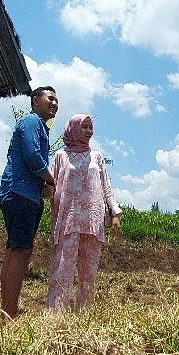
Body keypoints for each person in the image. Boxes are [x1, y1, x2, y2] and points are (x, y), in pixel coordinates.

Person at [46, 113, 121, 311]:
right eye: (84, 127)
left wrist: (115, 212)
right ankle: (56, 314)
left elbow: (106, 186)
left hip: (92, 220)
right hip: (68, 219)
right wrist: (44, 191)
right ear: (73, 129)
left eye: (90, 127)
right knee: (63, 269)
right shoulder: (61, 156)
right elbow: (51, 184)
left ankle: (84, 312)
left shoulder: (97, 157)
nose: (89, 131)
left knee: (88, 272)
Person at [0, 86, 58, 319]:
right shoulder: (31, 122)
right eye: (50, 98)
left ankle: (7, 311)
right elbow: (34, 157)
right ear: (35, 100)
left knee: (15, 250)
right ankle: (10, 315)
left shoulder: (40, 126)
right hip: (20, 193)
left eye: (56, 101)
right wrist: (51, 180)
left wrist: (42, 186)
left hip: (26, 194)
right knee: (21, 251)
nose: (54, 104)